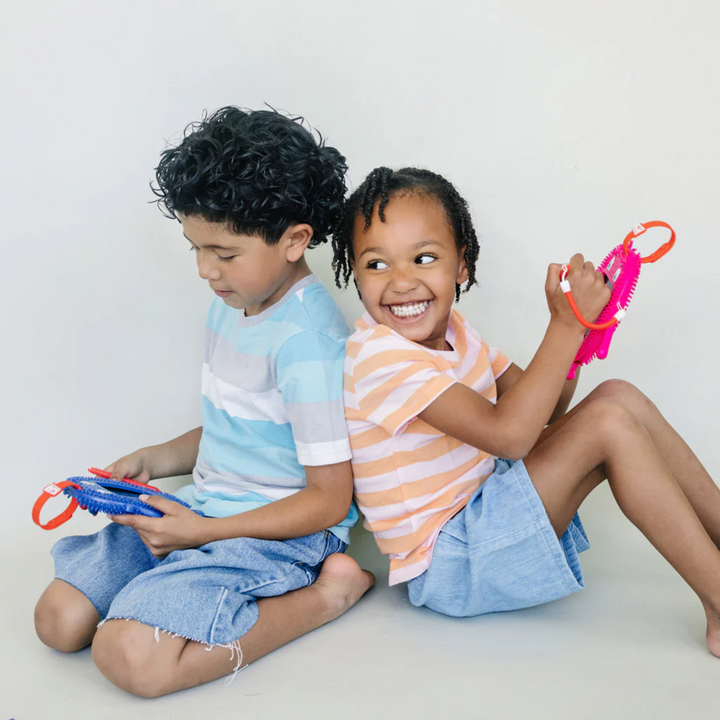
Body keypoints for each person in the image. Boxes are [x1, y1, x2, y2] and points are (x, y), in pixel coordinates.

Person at [34, 107, 374, 697]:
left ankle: (327, 595)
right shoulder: (234, 300)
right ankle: (175, 585)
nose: (204, 269)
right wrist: (157, 459)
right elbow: (244, 426)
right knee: (59, 622)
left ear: (295, 239)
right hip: (205, 511)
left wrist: (200, 535)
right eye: (195, 247)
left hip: (280, 532)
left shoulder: (309, 344)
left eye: (224, 252)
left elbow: (329, 499)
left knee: (131, 660)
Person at [334, 165, 720, 654]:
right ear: (354, 271)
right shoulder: (380, 357)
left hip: (485, 516)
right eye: (376, 264)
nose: (401, 282)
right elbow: (512, 437)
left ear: (461, 266)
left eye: (424, 258)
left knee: (617, 396)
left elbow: (544, 409)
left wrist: (579, 333)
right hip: (452, 563)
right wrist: (566, 324)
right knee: (606, 422)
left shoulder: (456, 329)